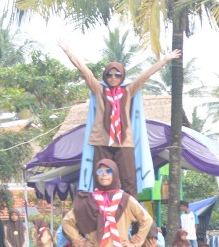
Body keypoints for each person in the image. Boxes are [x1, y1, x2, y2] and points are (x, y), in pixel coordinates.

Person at [60, 43, 180, 191]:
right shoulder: (99, 90)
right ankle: (102, 208)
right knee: (102, 178)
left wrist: (165, 60)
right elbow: (85, 72)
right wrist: (69, 53)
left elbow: (145, 76)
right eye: (109, 74)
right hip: (102, 141)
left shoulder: (128, 91)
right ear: (105, 76)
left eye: (117, 75)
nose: (113, 78)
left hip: (124, 142)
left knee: (128, 178)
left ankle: (130, 209)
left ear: (122, 76)